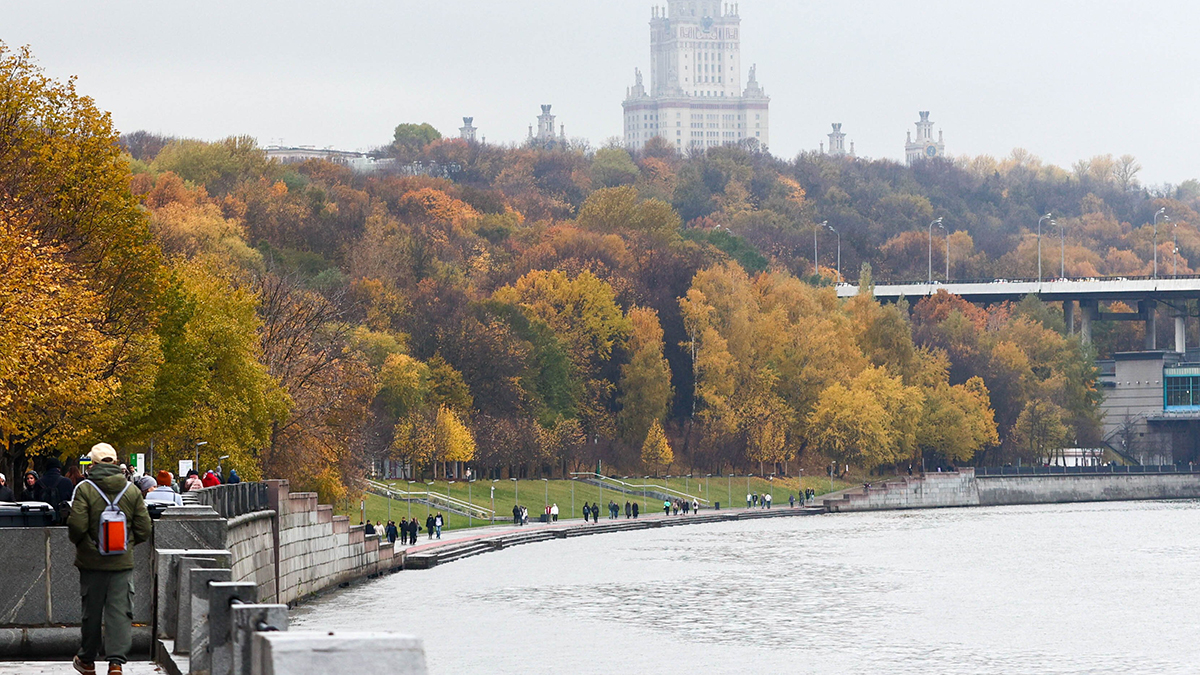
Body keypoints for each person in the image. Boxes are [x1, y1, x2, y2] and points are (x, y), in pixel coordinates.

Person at [68, 443, 152, 675]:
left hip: (91, 563)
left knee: (91, 612)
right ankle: (115, 663)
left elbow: (76, 526)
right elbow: (144, 529)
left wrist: (86, 546)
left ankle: (87, 660)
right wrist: (127, 545)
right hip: (121, 563)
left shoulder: (85, 489)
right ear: (115, 463)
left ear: (92, 464)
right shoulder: (132, 491)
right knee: (120, 612)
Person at [38, 458, 77, 522]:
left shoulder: (39, 483)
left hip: (43, 519)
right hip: (62, 519)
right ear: (59, 468)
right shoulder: (67, 482)